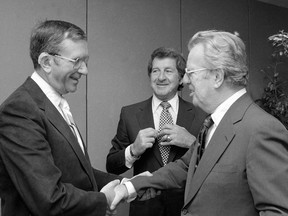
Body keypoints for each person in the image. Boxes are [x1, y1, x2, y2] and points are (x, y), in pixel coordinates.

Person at [111, 30, 288, 215]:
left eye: (191, 72)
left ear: (217, 77)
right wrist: (130, 187)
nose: (185, 80)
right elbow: (185, 167)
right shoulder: (211, 123)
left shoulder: (262, 129)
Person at [0, 20, 122, 216]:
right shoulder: (19, 110)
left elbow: (75, 172)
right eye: (76, 61)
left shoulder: (54, 103)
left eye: (86, 61)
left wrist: (124, 184)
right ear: (46, 62)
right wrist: (103, 200)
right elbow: (49, 198)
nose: (84, 70)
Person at [106, 47, 205, 216]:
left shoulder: (201, 114)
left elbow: (216, 162)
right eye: (155, 71)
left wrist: (191, 142)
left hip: (187, 208)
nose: (160, 77)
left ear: (181, 77)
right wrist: (133, 150)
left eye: (168, 71)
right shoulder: (130, 114)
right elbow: (111, 165)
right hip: (145, 208)